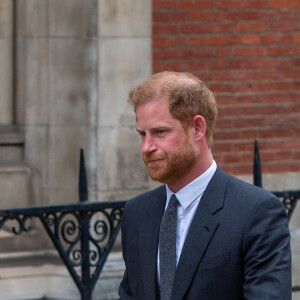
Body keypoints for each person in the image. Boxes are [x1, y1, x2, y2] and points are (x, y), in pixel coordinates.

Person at [118, 71, 291, 299]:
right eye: (142, 134)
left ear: (197, 128)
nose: (146, 147)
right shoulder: (137, 213)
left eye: (160, 132)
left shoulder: (256, 212)